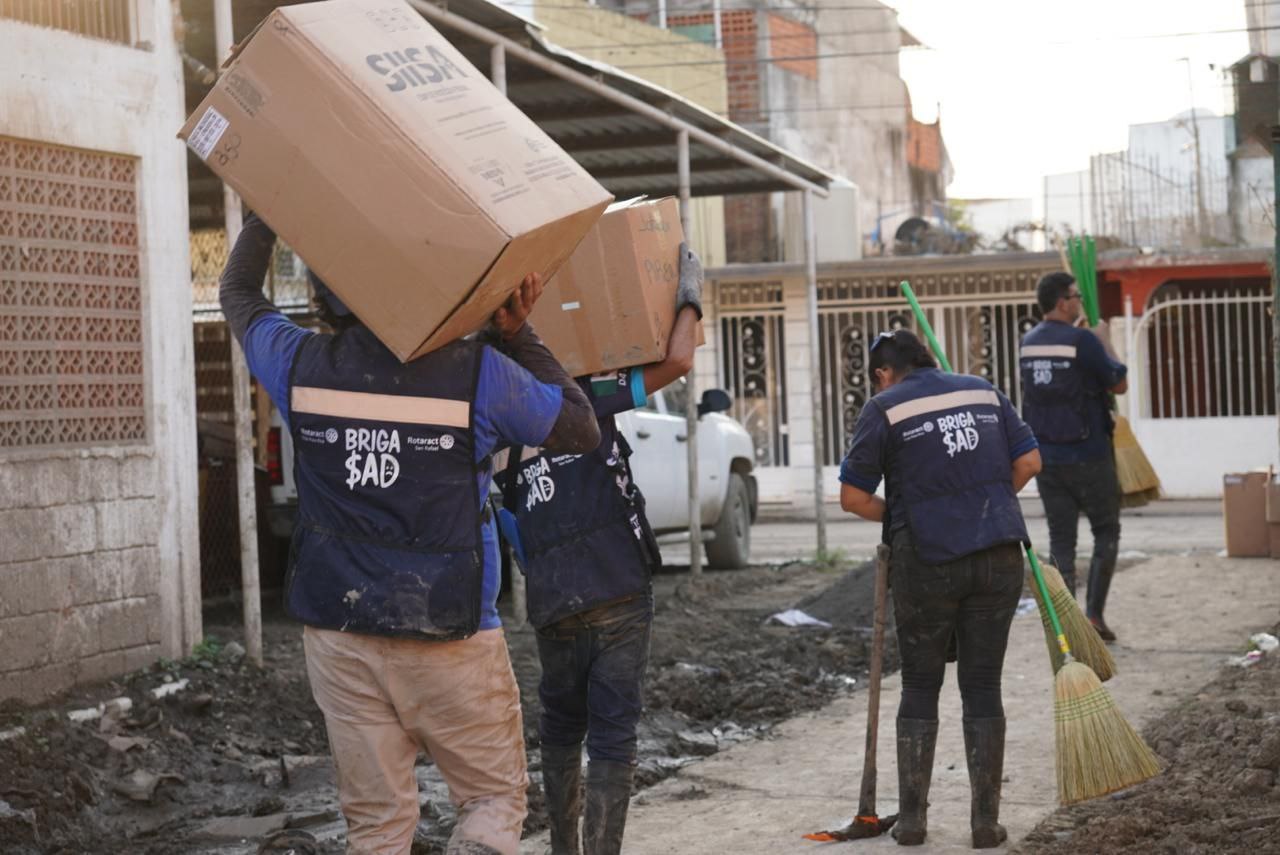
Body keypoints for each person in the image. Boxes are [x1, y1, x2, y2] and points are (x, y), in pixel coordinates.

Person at [218, 211, 602, 855]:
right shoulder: (481, 375)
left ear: (325, 293)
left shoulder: (298, 364)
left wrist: (270, 209)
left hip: (339, 635)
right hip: (448, 631)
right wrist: (517, 332)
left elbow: (237, 295)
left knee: (378, 827)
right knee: (490, 800)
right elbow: (579, 427)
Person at [493, 245, 704, 855]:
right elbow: (680, 357)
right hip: (617, 586)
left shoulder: (491, 417)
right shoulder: (588, 391)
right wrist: (688, 289)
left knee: (561, 731)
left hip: (554, 599)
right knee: (612, 735)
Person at [838, 329, 1041, 849]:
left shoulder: (884, 407)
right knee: (982, 686)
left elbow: (853, 497)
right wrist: (982, 510)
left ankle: (911, 823)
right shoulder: (981, 390)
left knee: (921, 685)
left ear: (884, 372)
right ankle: (986, 825)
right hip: (999, 554)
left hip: (927, 562)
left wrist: (907, 520)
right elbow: (1028, 463)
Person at [1019, 272, 1128, 642]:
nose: (1080, 300)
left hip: (1046, 458)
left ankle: (1066, 624)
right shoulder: (1083, 340)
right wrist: (1105, 340)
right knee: (1106, 530)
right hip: (1090, 454)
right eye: (1076, 295)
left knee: (1061, 541)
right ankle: (1094, 616)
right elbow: (1119, 383)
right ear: (1063, 302)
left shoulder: (1028, 344)